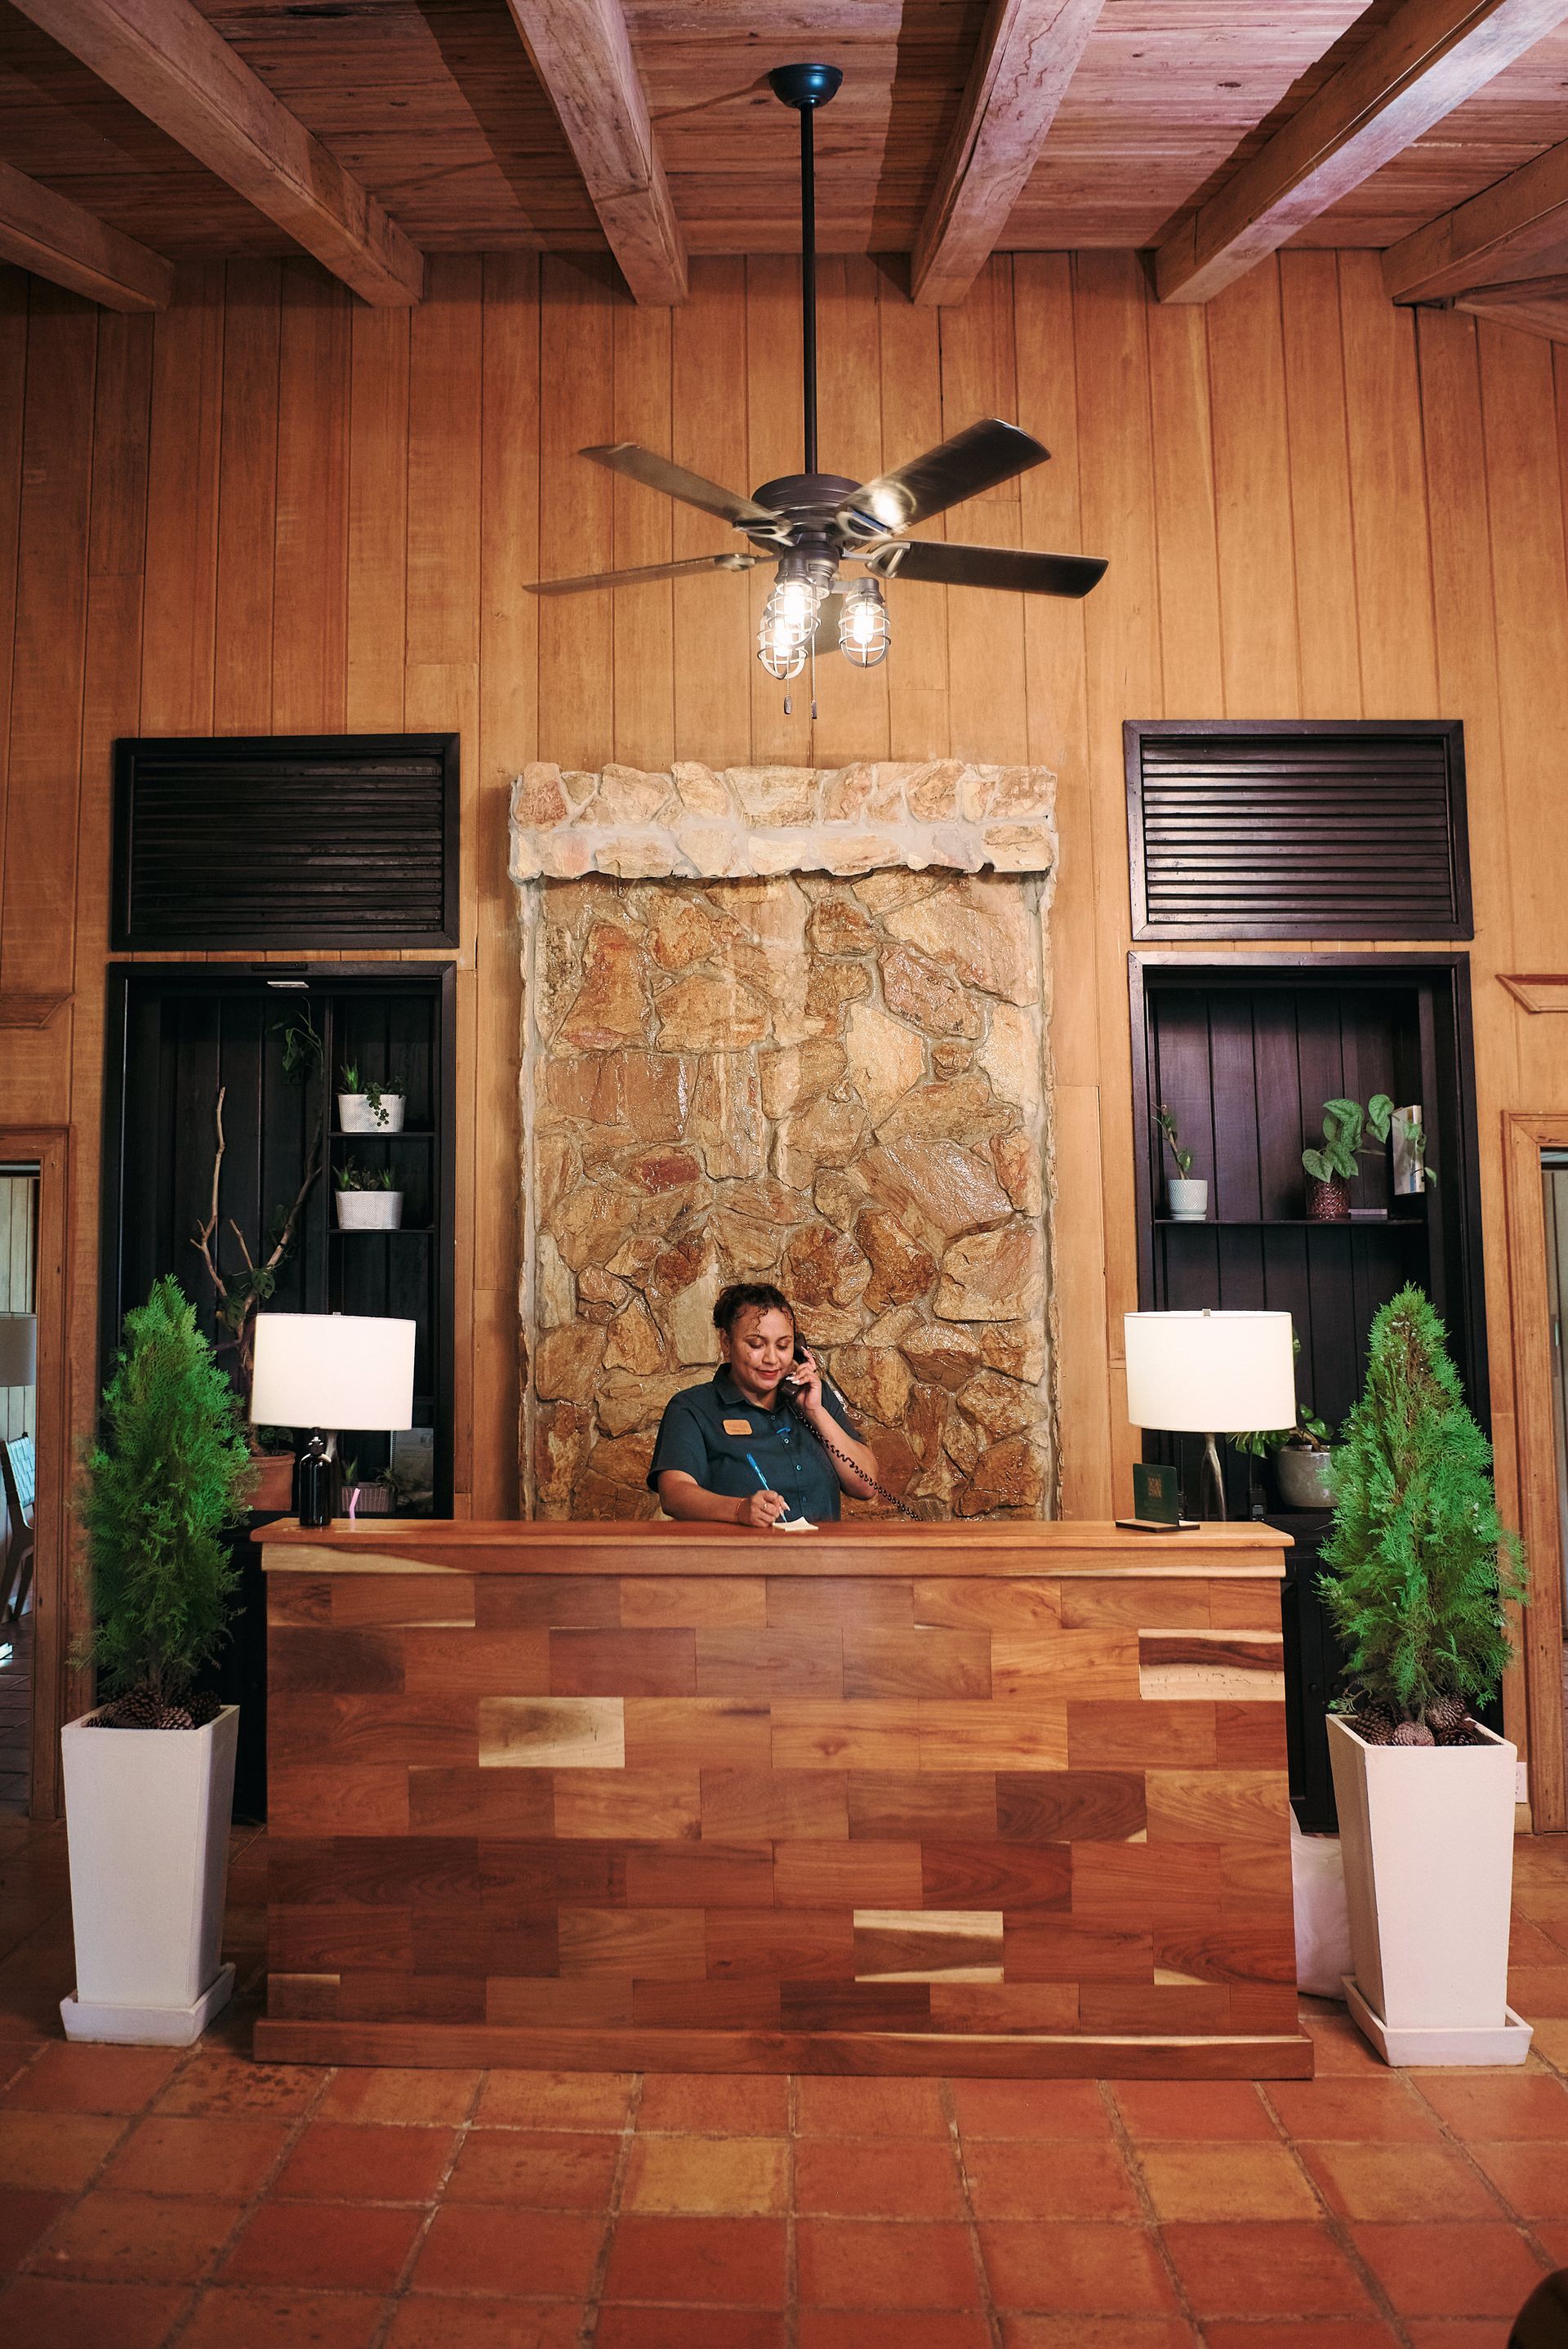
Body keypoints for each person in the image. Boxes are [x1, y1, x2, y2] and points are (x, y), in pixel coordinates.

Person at [648, 1282, 879, 1526]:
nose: (771, 1359)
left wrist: (814, 1411)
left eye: (782, 1346)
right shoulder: (691, 1408)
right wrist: (739, 1510)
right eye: (756, 1345)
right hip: (740, 1560)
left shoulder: (814, 1399)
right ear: (727, 1343)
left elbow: (866, 1487)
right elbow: (674, 1494)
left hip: (821, 1559)